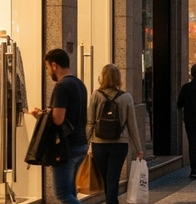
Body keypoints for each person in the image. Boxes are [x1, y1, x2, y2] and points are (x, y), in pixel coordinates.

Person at [30, 49, 88, 204]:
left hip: (67, 148)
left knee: (63, 194)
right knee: (70, 192)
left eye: (47, 67)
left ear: (54, 65)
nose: (48, 72)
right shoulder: (79, 84)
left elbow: (58, 119)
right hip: (81, 144)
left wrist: (40, 116)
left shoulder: (62, 86)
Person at [86, 64, 144, 204]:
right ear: (118, 78)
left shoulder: (96, 95)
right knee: (113, 179)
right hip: (120, 144)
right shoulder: (126, 98)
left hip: (99, 143)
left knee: (106, 179)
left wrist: (85, 142)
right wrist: (139, 148)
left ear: (103, 77)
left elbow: (90, 122)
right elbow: (132, 126)